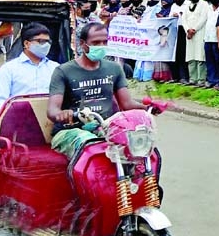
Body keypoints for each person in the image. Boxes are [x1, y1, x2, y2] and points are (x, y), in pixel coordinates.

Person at [47, 23, 146, 159]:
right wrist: (64, 114)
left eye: (105, 42)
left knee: (136, 143)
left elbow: (127, 104)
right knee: (89, 144)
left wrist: (150, 107)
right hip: (70, 131)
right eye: (96, 42)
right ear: (83, 44)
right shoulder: (63, 71)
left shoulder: (115, 69)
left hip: (105, 126)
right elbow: (52, 111)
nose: (101, 46)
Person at [0, 23, 59, 115]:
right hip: (18, 121)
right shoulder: (8, 69)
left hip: (50, 121)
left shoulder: (55, 68)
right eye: (41, 41)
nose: (46, 45)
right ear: (27, 44)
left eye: (48, 42)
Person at [181, 0, 210, 86]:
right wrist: (187, 30)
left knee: (200, 56)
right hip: (189, 35)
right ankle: (192, 78)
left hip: (200, 33)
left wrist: (194, 29)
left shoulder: (204, 4)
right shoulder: (187, 6)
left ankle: (201, 79)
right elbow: (183, 19)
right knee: (190, 56)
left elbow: (203, 18)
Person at [204, 0, 219, 89]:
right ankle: (211, 80)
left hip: (217, 39)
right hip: (207, 38)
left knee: (218, 61)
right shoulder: (208, 8)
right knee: (209, 61)